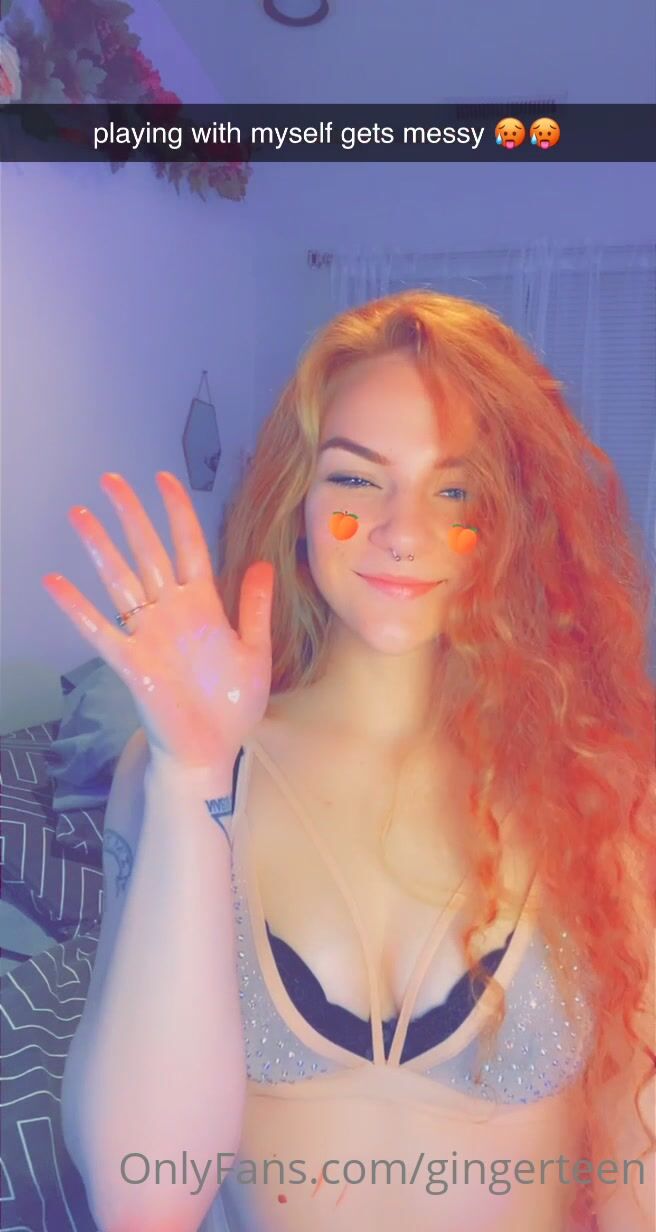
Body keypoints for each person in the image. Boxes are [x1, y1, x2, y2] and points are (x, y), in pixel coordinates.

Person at [45, 290, 655, 1232]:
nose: (402, 530)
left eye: (455, 489)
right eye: (357, 480)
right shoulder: (186, 774)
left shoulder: (603, 786)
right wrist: (191, 775)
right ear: (299, 499)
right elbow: (143, 1197)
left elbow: (636, 1168)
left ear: (514, 520)